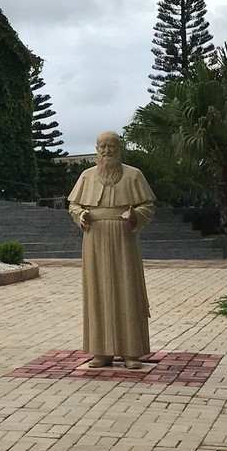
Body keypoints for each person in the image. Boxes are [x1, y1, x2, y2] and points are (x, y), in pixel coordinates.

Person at [67, 131, 156, 369]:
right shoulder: (87, 177)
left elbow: (148, 205)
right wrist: (81, 214)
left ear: (120, 149)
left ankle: (131, 352)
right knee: (97, 291)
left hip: (123, 238)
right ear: (96, 150)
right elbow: (74, 205)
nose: (107, 151)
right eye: (102, 147)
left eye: (112, 147)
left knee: (127, 290)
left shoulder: (133, 175)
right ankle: (101, 351)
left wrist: (135, 215)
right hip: (94, 239)